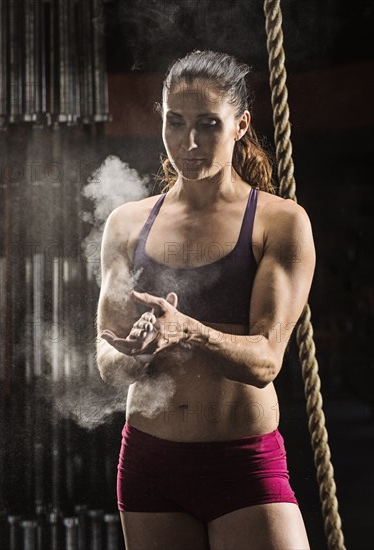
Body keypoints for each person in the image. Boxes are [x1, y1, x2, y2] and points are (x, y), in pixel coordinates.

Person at [96, 49, 315, 550]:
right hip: (151, 466)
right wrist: (135, 354)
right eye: (175, 122)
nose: (189, 142)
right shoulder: (127, 224)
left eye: (209, 125)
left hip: (243, 463)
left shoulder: (279, 222)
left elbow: (264, 361)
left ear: (240, 125)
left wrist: (188, 330)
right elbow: (108, 360)